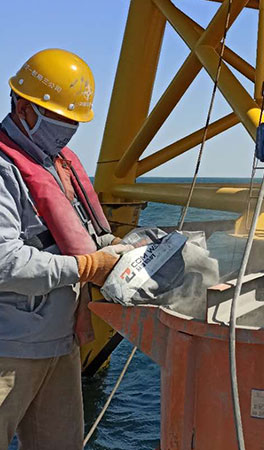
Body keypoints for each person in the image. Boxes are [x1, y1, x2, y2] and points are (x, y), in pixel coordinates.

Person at [0, 49, 128, 450]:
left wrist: (114, 248)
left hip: (59, 341)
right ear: (24, 108)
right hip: (11, 346)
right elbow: (5, 261)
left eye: (74, 121)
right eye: (60, 118)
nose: (69, 129)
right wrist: (87, 266)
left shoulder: (57, 164)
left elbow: (75, 233)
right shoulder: (4, 169)